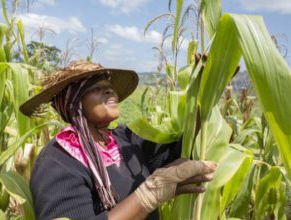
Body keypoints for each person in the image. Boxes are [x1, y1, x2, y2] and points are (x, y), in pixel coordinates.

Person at [20, 60, 217, 220]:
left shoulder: (125, 140)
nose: (110, 91)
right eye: (96, 88)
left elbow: (181, 148)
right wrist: (148, 195)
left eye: (109, 87)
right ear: (73, 103)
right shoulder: (59, 161)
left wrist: (210, 89)